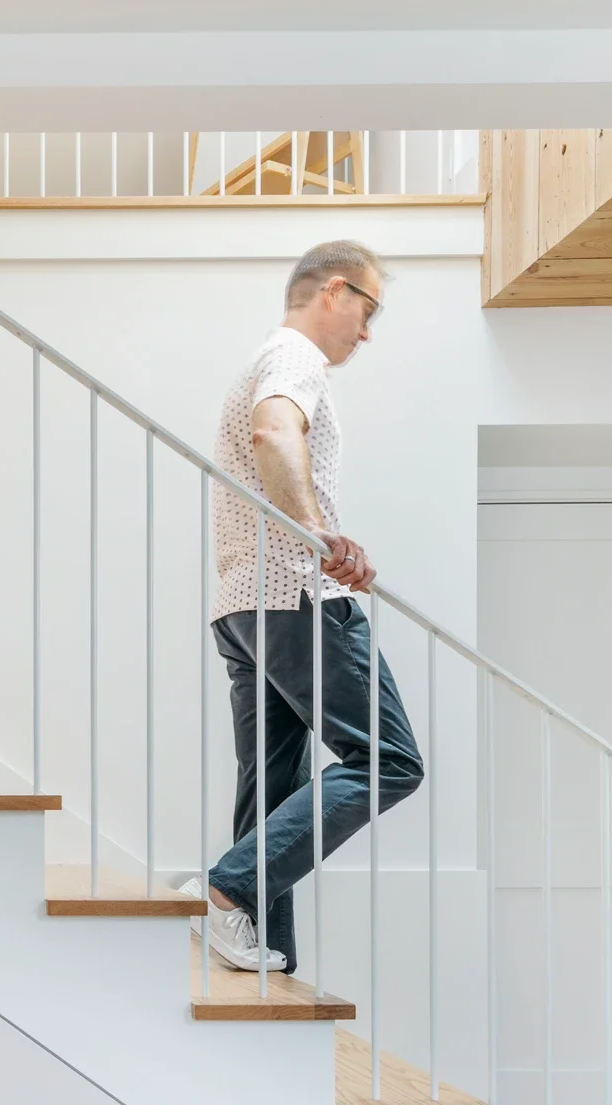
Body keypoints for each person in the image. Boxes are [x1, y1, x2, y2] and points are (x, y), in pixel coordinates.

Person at [181, 240, 424, 972]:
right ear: (336, 291)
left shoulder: (265, 358)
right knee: (388, 761)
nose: (368, 331)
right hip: (291, 595)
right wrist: (318, 533)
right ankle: (225, 892)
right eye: (368, 310)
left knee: (271, 790)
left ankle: (258, 952)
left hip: (242, 606)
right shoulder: (292, 359)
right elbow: (273, 431)